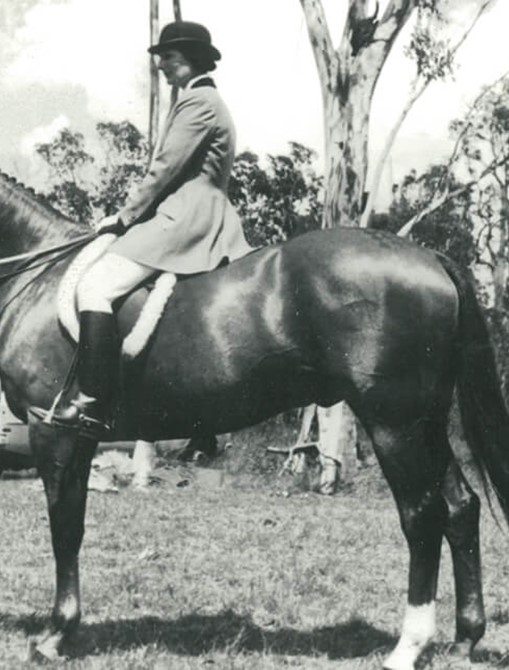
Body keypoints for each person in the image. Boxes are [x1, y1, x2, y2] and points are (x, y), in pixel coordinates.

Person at [31, 21, 251, 436]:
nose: (161, 65)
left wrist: (124, 217)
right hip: (189, 210)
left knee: (95, 287)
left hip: (187, 216)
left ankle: (93, 402)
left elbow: (164, 169)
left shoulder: (198, 102)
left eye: (168, 57)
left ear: (191, 59)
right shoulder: (201, 98)